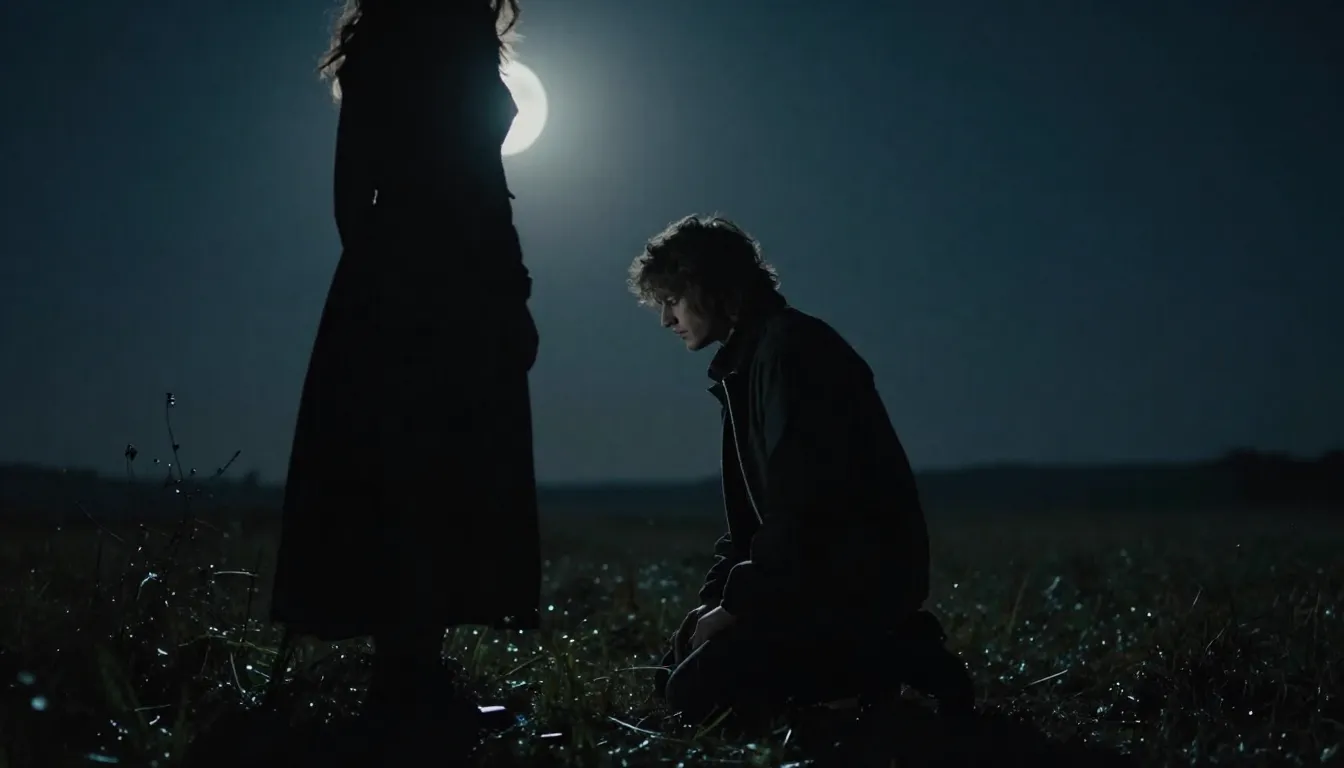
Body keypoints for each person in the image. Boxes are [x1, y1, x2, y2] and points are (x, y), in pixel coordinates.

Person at [269, 0, 541, 723]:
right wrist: (422, 289)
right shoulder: (414, 44)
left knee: (435, 471)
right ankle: (407, 685)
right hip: (425, 287)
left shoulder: (427, 40)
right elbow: (362, 191)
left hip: (437, 281)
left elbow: (468, 185)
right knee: (414, 472)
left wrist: (504, 289)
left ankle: (414, 678)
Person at [628, 214, 974, 729]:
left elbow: (806, 509)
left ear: (712, 288)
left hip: (848, 583)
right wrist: (715, 605)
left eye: (672, 300)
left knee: (696, 694)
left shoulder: (793, 353)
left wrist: (737, 608)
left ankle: (893, 652)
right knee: (673, 675)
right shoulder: (746, 366)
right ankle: (856, 661)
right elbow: (749, 526)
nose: (665, 320)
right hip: (802, 577)